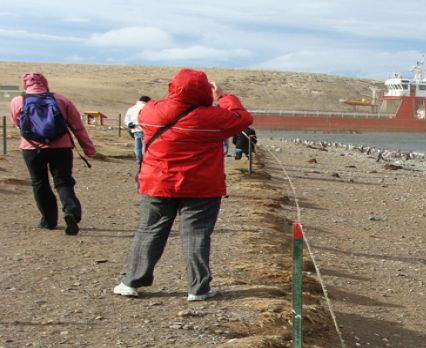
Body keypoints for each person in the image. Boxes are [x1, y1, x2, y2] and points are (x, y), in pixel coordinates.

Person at [113, 68, 252, 301]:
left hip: (158, 182)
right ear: (204, 90)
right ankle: (198, 288)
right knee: (197, 234)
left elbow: (145, 117)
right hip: (201, 186)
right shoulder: (213, 118)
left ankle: (132, 282)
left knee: (150, 230)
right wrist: (223, 97)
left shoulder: (151, 111)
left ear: (172, 87)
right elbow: (243, 119)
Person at [9, 72, 96, 235]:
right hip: (61, 147)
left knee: (39, 183)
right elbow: (77, 126)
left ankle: (48, 221)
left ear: (25, 84)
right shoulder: (61, 100)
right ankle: (71, 212)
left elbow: (17, 123)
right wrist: (88, 149)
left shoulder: (17, 101)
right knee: (63, 181)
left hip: (31, 149)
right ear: (45, 83)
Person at [124, 95, 151, 164]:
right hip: (146, 129)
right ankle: (144, 160)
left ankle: (139, 159)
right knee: (145, 146)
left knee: (137, 146)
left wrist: (129, 124)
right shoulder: (148, 107)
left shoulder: (131, 108)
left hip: (135, 129)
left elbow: (126, 120)